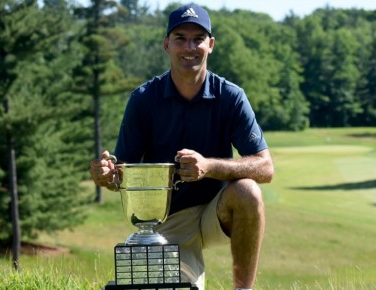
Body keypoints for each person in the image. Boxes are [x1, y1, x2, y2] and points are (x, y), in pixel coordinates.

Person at [90, 3, 274, 289]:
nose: (190, 47)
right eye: (180, 38)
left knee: (249, 191)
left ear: (210, 45)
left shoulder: (231, 97)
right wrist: (106, 175)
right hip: (171, 219)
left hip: (219, 209)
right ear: (166, 44)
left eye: (198, 39)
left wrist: (209, 166)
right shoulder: (143, 100)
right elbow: (120, 174)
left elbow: (266, 167)